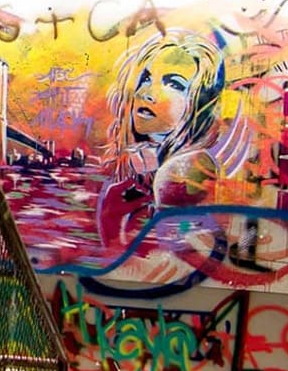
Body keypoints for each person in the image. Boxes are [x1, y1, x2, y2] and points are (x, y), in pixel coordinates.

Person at [94, 31, 225, 247]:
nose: (147, 92)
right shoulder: (123, 186)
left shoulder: (195, 176)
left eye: (173, 84)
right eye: (145, 78)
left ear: (200, 105)